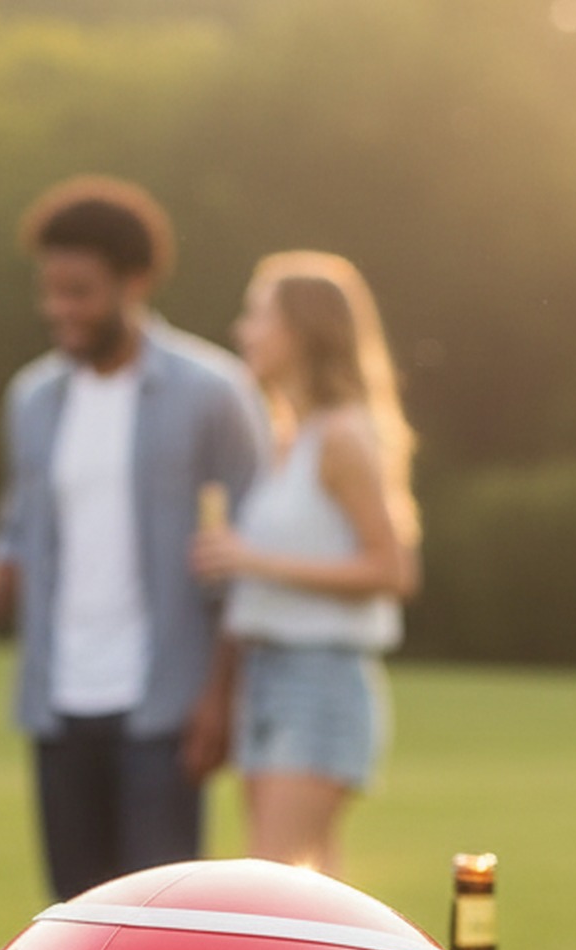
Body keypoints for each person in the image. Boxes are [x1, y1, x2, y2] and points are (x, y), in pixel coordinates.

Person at [0, 176, 265, 902]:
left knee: (163, 932)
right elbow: (16, 536)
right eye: (50, 292)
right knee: (76, 931)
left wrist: (220, 696)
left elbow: (247, 561)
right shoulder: (35, 399)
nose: (59, 310)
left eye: (79, 291)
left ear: (135, 282)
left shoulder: (212, 393)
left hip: (163, 711)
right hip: (58, 705)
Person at [189, 252, 419, 878]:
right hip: (266, 676)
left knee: (273, 888)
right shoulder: (287, 439)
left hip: (319, 679)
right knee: (308, 891)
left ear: (301, 331)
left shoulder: (343, 438)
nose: (243, 332)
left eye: (257, 316)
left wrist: (251, 559)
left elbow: (394, 570)